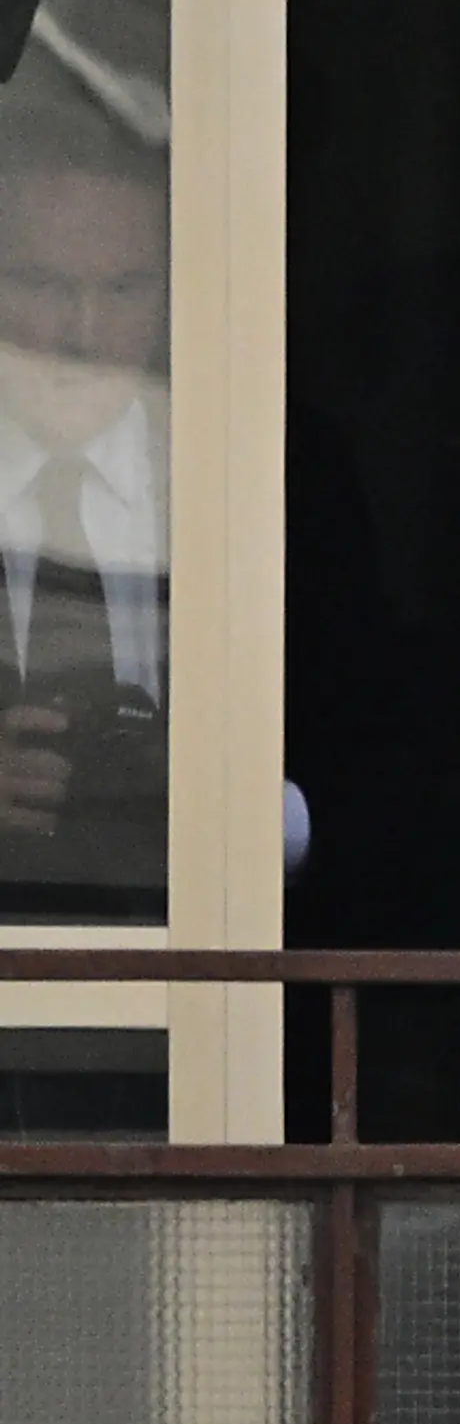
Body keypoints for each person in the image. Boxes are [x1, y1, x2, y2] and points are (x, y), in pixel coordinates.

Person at [0, 85, 169, 921]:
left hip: (215, 1003)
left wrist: (244, 811)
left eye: (126, 290)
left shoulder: (282, 469)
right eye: (41, 284)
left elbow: (376, 772)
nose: (83, 332)